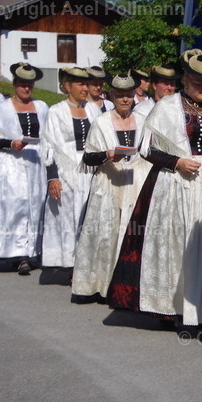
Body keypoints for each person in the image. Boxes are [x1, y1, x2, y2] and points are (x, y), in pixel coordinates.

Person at [108, 51, 202, 325]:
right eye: (199, 82)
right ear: (185, 79)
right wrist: (177, 162)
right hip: (175, 185)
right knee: (177, 246)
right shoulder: (167, 107)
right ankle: (173, 308)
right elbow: (146, 148)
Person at [72, 74, 150, 303]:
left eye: (128, 95)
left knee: (131, 234)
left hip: (136, 181)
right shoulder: (102, 122)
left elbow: (149, 151)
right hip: (108, 183)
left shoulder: (143, 121)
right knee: (105, 235)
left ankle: (126, 287)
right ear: (113, 96)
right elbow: (88, 157)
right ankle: (99, 285)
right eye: (120, 95)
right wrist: (108, 154)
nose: (125, 100)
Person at [0, 63, 48, 274]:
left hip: (35, 163)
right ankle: (13, 252)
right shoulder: (3, 109)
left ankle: (31, 252)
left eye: (30, 85)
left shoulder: (42, 107)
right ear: (16, 84)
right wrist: (11, 143)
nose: (26, 89)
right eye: (22, 85)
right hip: (11, 164)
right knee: (14, 207)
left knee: (35, 206)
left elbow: (47, 136)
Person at [39, 67, 100, 284]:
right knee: (66, 218)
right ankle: (65, 264)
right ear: (67, 86)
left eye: (86, 84)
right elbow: (48, 146)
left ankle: (85, 264)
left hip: (90, 170)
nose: (85, 88)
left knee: (87, 217)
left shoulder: (94, 110)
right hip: (66, 171)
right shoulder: (56, 111)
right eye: (80, 84)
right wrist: (52, 177)